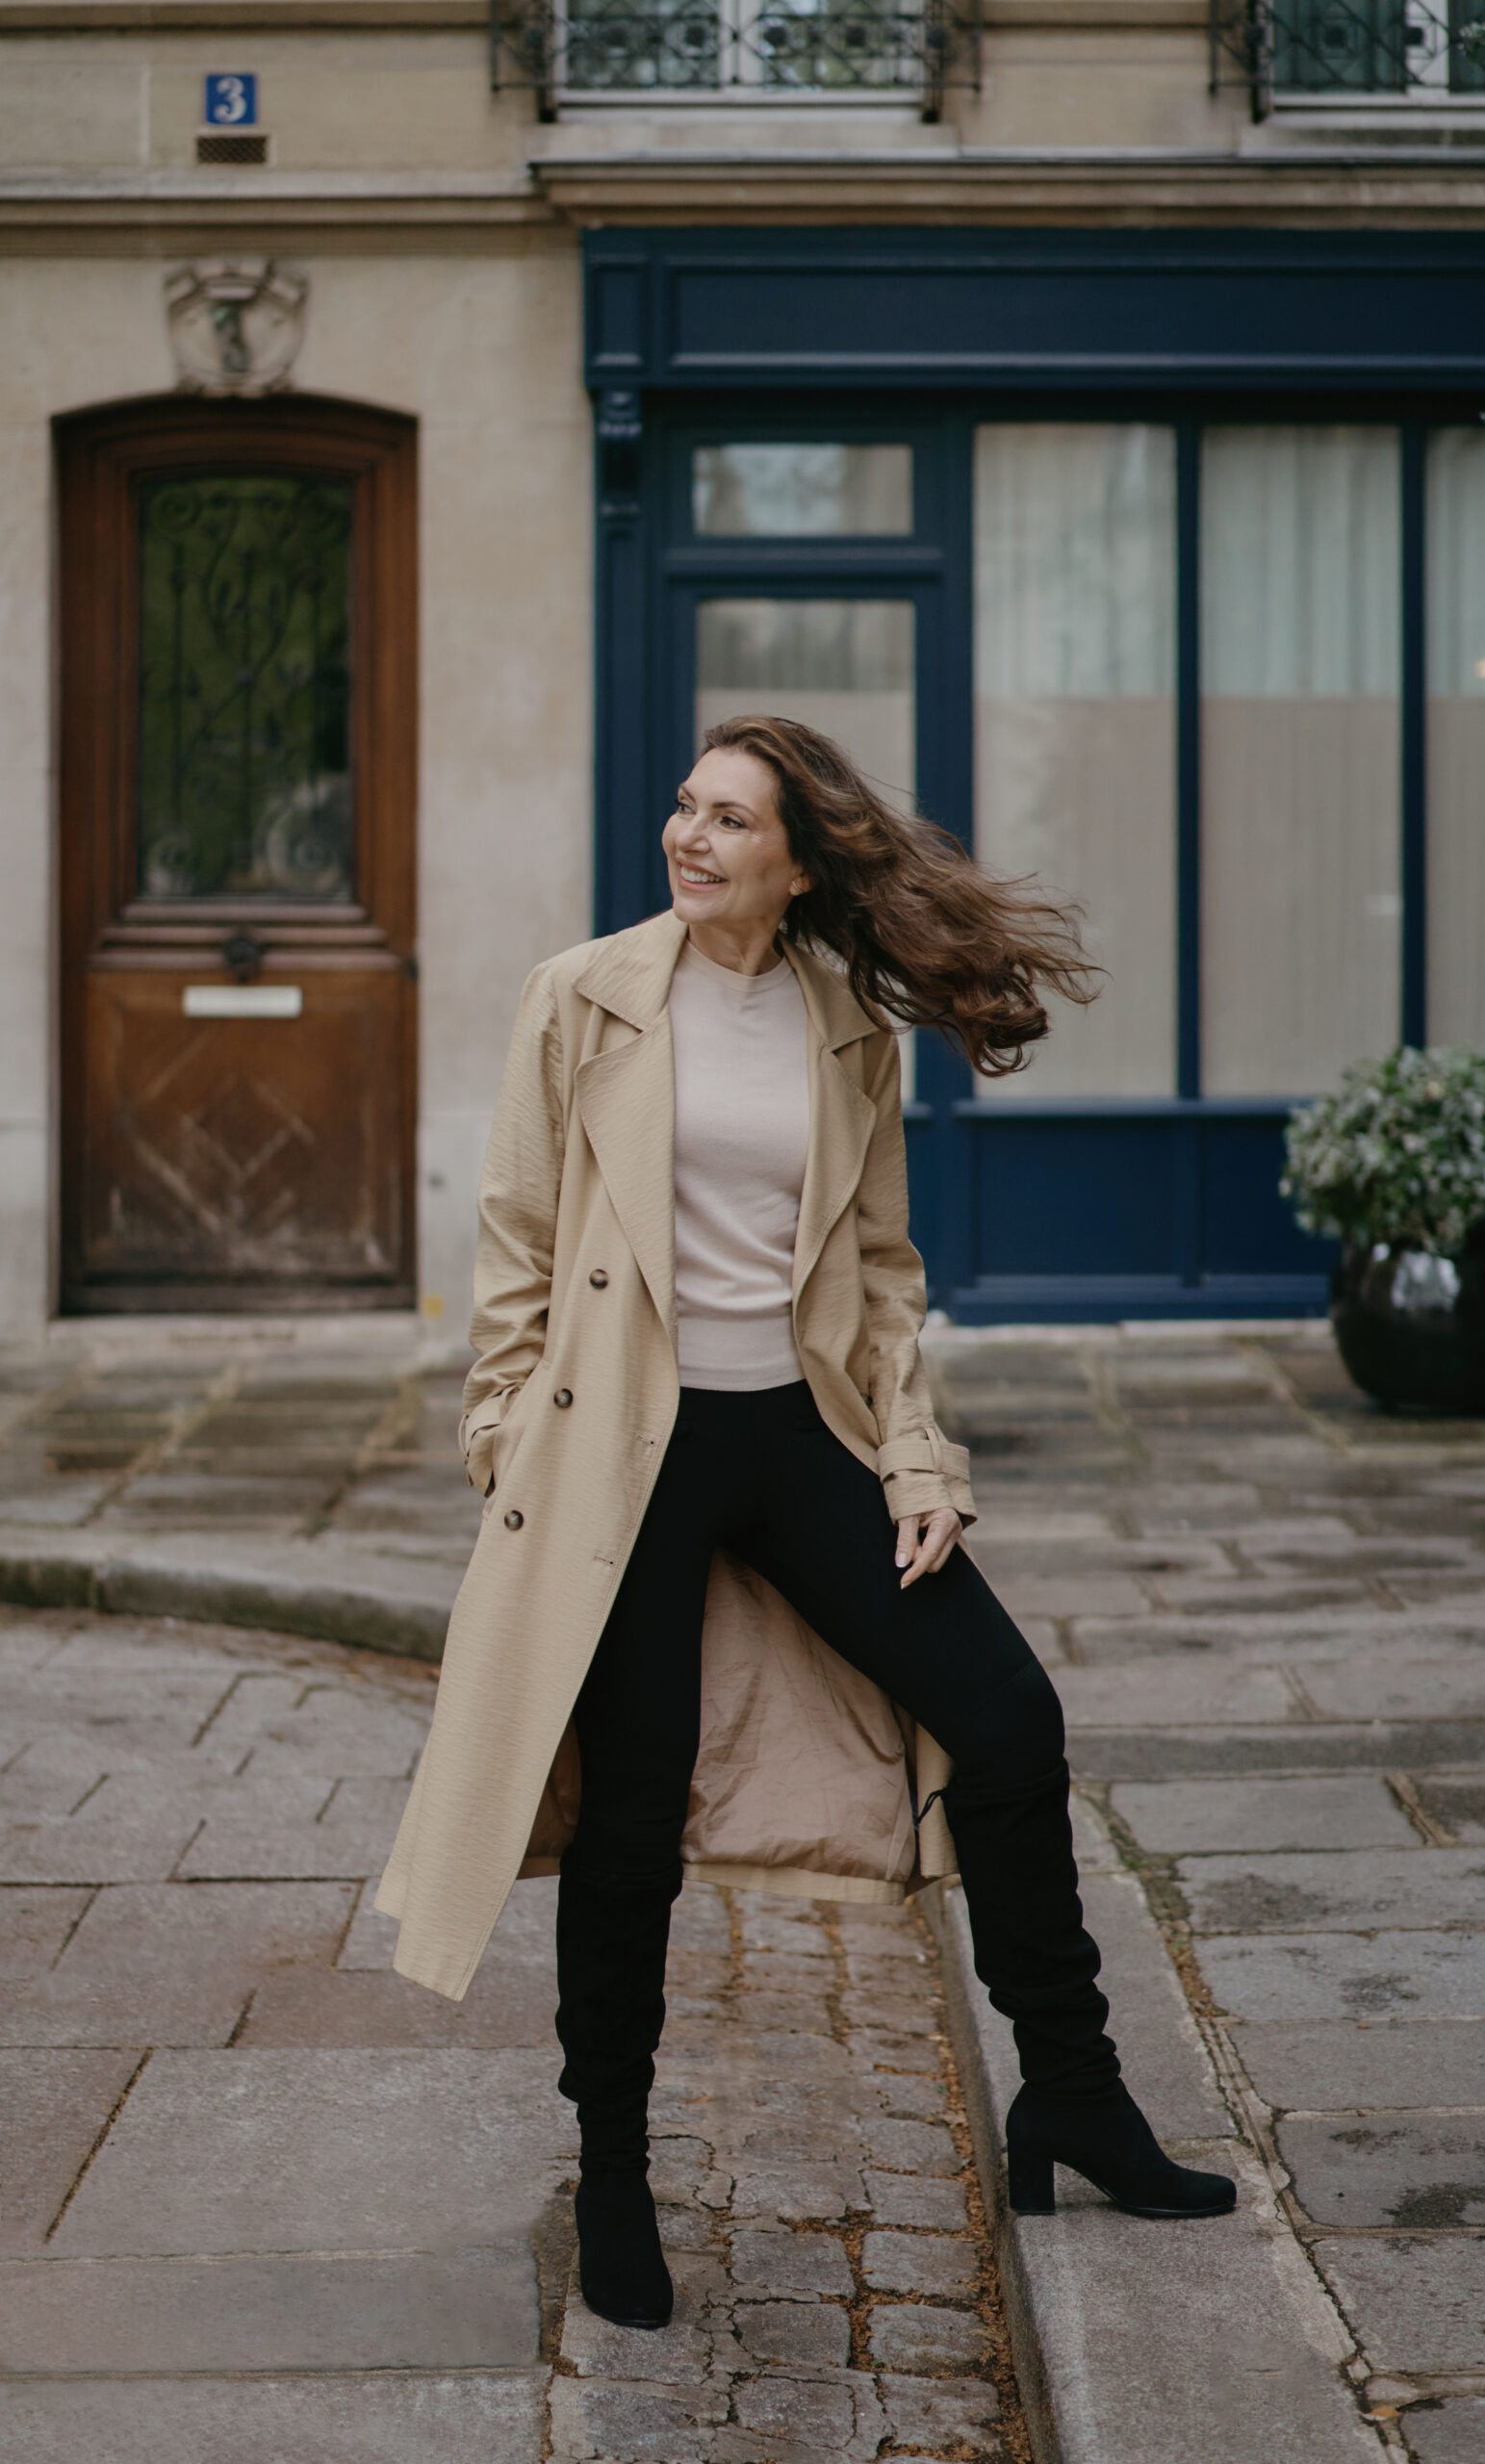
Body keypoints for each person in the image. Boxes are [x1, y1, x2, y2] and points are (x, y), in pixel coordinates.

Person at [375, 715, 1235, 2332]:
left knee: (1009, 1718)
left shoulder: (846, 1020)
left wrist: (916, 1459)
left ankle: (1074, 2090)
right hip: (619, 1450)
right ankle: (616, 2170)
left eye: (726, 821)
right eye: (683, 808)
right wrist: (504, 1443)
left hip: (796, 1430)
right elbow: (514, 1239)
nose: (688, 839)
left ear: (796, 859)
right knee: (630, 1820)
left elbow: (884, 1274)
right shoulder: (586, 996)